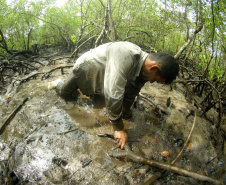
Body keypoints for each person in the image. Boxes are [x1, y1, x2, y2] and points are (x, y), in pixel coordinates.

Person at [52, 41, 179, 149]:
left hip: (104, 79)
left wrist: (126, 115)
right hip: (85, 68)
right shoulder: (126, 53)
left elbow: (130, 95)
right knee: (66, 96)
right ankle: (57, 83)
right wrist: (118, 128)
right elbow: (113, 94)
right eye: (155, 79)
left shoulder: (145, 72)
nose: (152, 82)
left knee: (99, 104)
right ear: (154, 68)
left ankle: (94, 94)